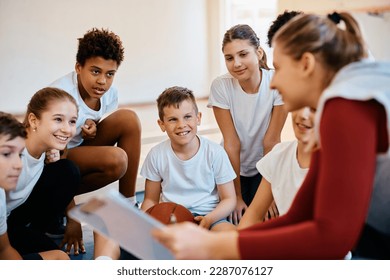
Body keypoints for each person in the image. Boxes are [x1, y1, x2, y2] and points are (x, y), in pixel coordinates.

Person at [153, 12, 390, 259]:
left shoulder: (346, 105)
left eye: (278, 69)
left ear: (306, 64)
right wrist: (225, 242)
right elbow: (299, 216)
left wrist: (214, 247)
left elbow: (331, 239)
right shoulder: (339, 103)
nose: (273, 83)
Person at [50, 28, 141, 253]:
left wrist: (91, 129)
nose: (102, 81)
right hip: (51, 164)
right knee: (117, 160)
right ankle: (55, 208)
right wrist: (72, 215)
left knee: (129, 119)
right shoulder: (59, 95)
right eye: (95, 71)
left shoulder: (110, 95)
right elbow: (52, 157)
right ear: (78, 67)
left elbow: (89, 123)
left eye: (110, 74)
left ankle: (129, 206)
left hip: (76, 151)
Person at [207, 24, 287, 224]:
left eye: (243, 54)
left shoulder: (278, 81)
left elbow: (271, 141)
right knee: (233, 219)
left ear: (258, 53)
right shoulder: (221, 86)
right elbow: (231, 143)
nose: (237, 63)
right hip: (230, 170)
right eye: (229, 58)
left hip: (264, 168)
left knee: (268, 221)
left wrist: (270, 195)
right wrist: (235, 197)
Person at [140, 86, 237, 231]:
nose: (181, 125)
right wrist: (144, 221)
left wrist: (209, 218)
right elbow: (150, 199)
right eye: (173, 119)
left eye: (187, 117)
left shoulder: (215, 153)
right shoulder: (156, 155)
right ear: (162, 124)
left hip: (210, 217)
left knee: (230, 236)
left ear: (198, 118)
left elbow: (229, 199)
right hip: (172, 219)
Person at [4, 88, 80, 259]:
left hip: (11, 222)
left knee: (67, 171)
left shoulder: (48, 150)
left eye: (72, 121)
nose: (67, 129)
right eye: (58, 119)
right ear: (33, 120)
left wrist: (74, 219)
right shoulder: (10, 155)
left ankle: (36, 231)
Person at [238, 107, 314, 229]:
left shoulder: (338, 166)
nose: (302, 115)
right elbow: (253, 215)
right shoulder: (279, 155)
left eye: (313, 108)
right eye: (299, 105)